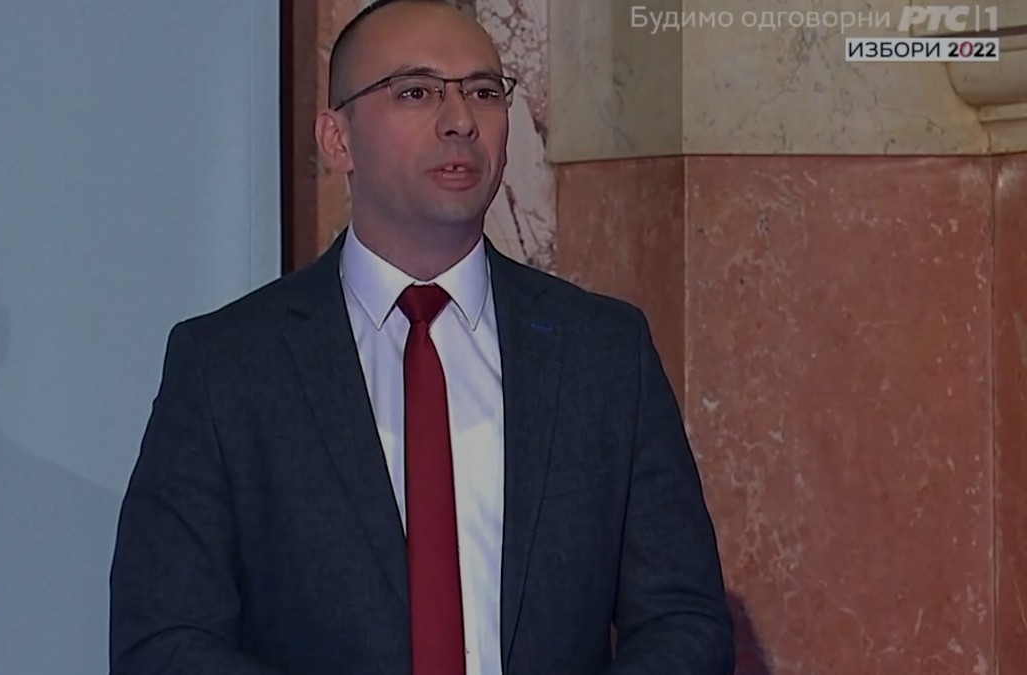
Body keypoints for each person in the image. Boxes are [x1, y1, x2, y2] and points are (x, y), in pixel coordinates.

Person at [108, 0, 734, 673]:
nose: (460, 120)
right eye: (416, 92)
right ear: (337, 139)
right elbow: (162, 641)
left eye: (484, 92)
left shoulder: (603, 354)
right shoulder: (228, 366)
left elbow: (683, 621)